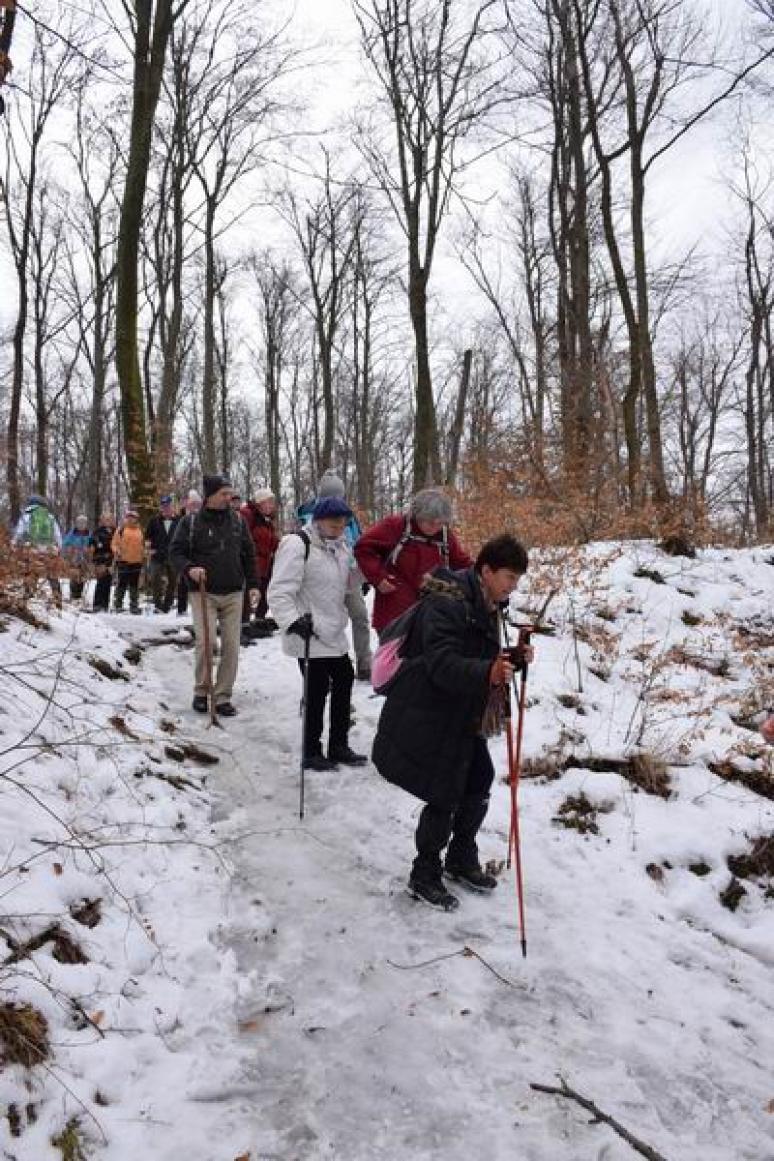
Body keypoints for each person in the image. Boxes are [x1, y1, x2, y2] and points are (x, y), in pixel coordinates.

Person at [372, 534, 531, 912]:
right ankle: (424, 874)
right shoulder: (446, 603)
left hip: (462, 710)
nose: (513, 586)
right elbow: (442, 663)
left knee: (477, 780)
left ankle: (460, 858)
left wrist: (513, 658)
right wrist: (488, 671)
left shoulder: (487, 602)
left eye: (517, 579)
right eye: (509, 577)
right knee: (444, 793)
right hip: (429, 709)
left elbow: (477, 655)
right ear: (486, 570)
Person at [269, 496, 367, 771]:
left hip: (333, 629)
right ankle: (311, 751)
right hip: (307, 630)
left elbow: (345, 584)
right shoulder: (297, 544)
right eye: (334, 523)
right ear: (318, 520)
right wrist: (292, 621)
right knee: (316, 689)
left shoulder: (341, 548)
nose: (339, 527)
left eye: (343, 524)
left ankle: (338, 745)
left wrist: (362, 574)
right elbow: (279, 590)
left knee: (345, 679)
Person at [170, 474, 258, 717]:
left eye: (230, 493)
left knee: (231, 646)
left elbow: (249, 554)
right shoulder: (190, 523)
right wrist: (190, 569)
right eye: (224, 494)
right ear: (210, 496)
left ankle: (222, 696)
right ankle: (202, 690)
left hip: (233, 592)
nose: (229, 498)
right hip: (203, 592)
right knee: (206, 643)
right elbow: (175, 552)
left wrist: (253, 585)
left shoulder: (238, 522)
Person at [355, 488, 472, 640]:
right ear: (418, 515)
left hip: (430, 614)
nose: (435, 527)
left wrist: (486, 577)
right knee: (393, 662)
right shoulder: (396, 526)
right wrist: (378, 577)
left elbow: (462, 563)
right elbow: (364, 548)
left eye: (440, 523)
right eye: (430, 522)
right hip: (394, 612)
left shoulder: (444, 537)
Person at [298, 470, 373, 679]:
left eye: (338, 496)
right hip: (324, 578)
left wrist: (362, 573)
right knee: (328, 622)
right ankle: (329, 669)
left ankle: (364, 662)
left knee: (360, 617)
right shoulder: (312, 514)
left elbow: (359, 542)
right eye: (331, 496)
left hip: (349, 573)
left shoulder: (347, 515)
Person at [12, 493, 63, 607]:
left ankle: (28, 596)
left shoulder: (26, 516)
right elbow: (57, 535)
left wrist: (14, 544)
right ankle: (58, 599)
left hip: (32, 548)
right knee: (52, 574)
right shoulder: (50, 517)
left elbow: (19, 532)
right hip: (49, 549)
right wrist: (58, 548)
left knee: (31, 571)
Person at [241, 487, 280, 626]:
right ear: (259, 503)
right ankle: (243, 625)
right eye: (267, 502)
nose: (270, 505)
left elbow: (273, 542)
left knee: (266, 591)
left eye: (272, 502)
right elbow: (243, 538)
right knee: (247, 594)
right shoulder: (248, 515)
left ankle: (259, 619)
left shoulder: (267, 520)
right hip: (250, 562)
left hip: (265, 563)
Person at [144, 495, 180, 613]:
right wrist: (148, 548)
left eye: (168, 506)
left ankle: (167, 604)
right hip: (157, 555)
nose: (166, 509)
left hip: (173, 556)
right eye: (164, 506)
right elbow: (147, 537)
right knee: (155, 579)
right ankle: (158, 604)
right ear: (161, 508)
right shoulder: (154, 521)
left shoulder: (179, 521)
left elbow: (182, 538)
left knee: (173, 581)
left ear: (172, 507)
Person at [111, 510, 145, 614]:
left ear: (136, 519)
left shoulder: (140, 531)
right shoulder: (121, 530)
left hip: (137, 561)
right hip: (123, 560)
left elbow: (143, 545)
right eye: (129, 517)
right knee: (122, 583)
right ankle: (118, 604)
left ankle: (134, 605)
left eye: (133, 517)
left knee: (134, 584)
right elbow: (114, 544)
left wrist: (145, 554)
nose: (131, 519)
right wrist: (117, 551)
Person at [175, 491, 202, 615]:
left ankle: (199, 609)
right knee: (183, 582)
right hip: (183, 554)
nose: (195, 506)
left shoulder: (202, 518)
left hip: (197, 553)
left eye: (197, 504)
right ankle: (181, 608)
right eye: (192, 504)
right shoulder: (180, 518)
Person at [89, 511, 116, 612]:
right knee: (101, 582)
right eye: (105, 519)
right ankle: (97, 604)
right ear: (102, 520)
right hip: (100, 559)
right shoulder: (97, 531)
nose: (108, 521)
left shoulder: (115, 531)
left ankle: (105, 605)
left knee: (108, 582)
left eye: (109, 519)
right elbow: (92, 544)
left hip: (111, 560)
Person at [62, 515, 91, 603]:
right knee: (74, 575)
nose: (81, 525)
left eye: (83, 523)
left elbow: (92, 544)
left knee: (82, 576)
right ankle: (73, 593)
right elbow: (65, 544)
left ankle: (79, 594)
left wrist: (89, 549)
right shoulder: (72, 533)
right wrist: (69, 549)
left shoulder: (89, 534)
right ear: (76, 523)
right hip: (74, 557)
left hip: (84, 558)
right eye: (79, 523)